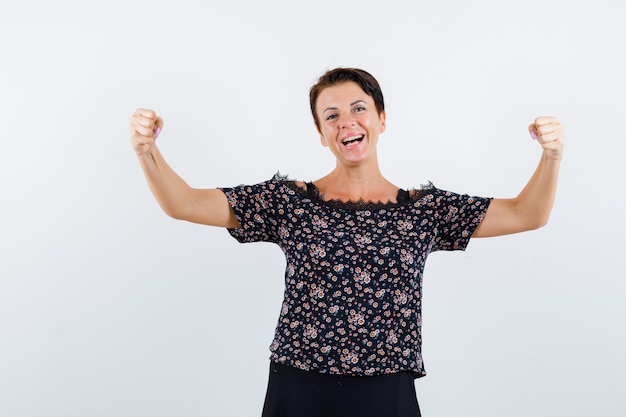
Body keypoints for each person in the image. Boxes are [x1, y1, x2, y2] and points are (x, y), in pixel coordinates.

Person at [129, 68, 564, 417]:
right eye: (331, 115)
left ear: (381, 119)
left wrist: (552, 157)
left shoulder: (423, 210)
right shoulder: (289, 202)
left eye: (359, 108)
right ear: (321, 133)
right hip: (301, 387)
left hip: (387, 391)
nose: (347, 122)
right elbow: (183, 203)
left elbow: (529, 214)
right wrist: (147, 150)